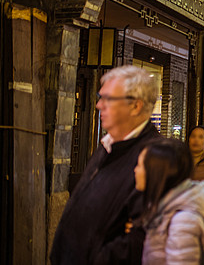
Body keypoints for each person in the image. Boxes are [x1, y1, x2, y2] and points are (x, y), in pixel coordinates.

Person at [51, 65, 161, 265]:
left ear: (135, 106)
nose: (98, 105)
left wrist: (94, 258)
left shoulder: (154, 156)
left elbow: (145, 238)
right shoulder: (108, 145)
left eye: (108, 99)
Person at [136, 139, 204, 264]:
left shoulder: (182, 221)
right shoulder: (164, 206)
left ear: (156, 171)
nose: (135, 170)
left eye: (140, 165)